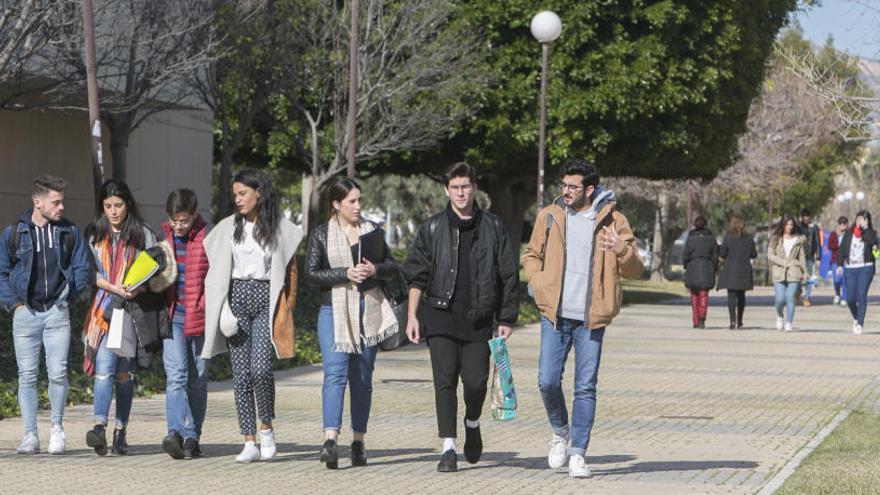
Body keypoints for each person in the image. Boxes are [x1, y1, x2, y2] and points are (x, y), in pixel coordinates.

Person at [522, 159, 643, 478]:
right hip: (555, 315)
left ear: (589, 189)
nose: (565, 192)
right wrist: (536, 283)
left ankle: (578, 453)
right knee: (547, 380)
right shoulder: (549, 216)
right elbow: (531, 254)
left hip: (591, 317)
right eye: (562, 186)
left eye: (572, 187)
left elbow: (635, 270)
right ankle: (560, 431)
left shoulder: (613, 220)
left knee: (585, 387)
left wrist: (621, 249)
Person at [403, 162, 519, 473]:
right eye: (454, 187)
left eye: (465, 186)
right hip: (440, 316)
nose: (460, 192)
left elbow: (508, 274)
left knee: (476, 383)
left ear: (474, 188)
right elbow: (416, 275)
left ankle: (472, 421)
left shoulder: (493, 227)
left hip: (479, 319)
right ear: (446, 190)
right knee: (444, 382)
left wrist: (506, 317)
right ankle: (448, 447)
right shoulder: (432, 228)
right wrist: (412, 316)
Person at [202, 168, 302, 463]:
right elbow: (213, 263)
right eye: (235, 195)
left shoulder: (280, 228)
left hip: (266, 300)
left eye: (243, 194)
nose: (238, 200)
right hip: (236, 299)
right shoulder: (228, 227)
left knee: (260, 370)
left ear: (259, 192)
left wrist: (289, 305)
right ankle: (248, 440)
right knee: (241, 375)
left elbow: (290, 272)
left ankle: (267, 428)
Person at [304, 177, 400, 469]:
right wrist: (344, 273)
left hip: (367, 308)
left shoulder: (372, 231)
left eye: (359, 200)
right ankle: (330, 440)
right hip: (332, 311)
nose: (358, 206)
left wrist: (375, 269)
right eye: (351, 201)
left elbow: (393, 268)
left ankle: (358, 441)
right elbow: (311, 274)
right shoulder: (321, 234)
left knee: (362, 379)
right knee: (334, 375)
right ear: (336, 204)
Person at [0, 175, 91, 455]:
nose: (62, 207)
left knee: (58, 372)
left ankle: (56, 429)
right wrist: (15, 304)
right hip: (25, 313)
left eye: (62, 201)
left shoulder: (69, 232)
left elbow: (82, 268)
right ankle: (30, 435)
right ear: (37, 202)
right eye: (56, 202)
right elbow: (2, 272)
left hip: (56, 312)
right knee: (26, 375)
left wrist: (66, 298)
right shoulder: (14, 233)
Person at [82, 179, 159, 456]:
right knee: (104, 369)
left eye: (118, 205)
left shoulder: (142, 235)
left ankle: (120, 430)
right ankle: (99, 427)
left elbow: (156, 269)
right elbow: (88, 273)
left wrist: (139, 286)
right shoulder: (93, 233)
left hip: (130, 312)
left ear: (128, 204)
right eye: (107, 206)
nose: (113, 211)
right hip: (103, 312)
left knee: (124, 375)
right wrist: (114, 287)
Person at [158, 189, 210, 460]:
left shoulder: (207, 238)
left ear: (194, 215)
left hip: (201, 318)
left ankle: (194, 436)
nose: (179, 225)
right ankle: (176, 432)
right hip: (174, 317)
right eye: (174, 220)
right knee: (176, 376)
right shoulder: (163, 240)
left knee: (198, 380)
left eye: (184, 220)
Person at [835, 210, 877, 335]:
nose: (861, 221)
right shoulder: (848, 234)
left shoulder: (871, 233)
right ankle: (856, 317)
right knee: (850, 299)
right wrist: (839, 265)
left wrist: (866, 229)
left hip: (866, 268)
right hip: (850, 269)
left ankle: (860, 323)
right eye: (859, 219)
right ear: (855, 219)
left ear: (868, 221)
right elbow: (841, 250)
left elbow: (873, 243)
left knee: (861, 295)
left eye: (864, 219)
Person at [716, 216, 757, 329]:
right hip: (744, 270)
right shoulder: (749, 238)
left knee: (731, 296)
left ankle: (732, 321)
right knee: (741, 296)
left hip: (730, 270)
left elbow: (722, 253)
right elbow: (754, 254)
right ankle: (740, 320)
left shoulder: (728, 238)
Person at [768, 215, 806, 332]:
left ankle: (789, 322)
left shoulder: (798, 239)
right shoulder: (776, 238)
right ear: (783, 225)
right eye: (787, 224)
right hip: (779, 272)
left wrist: (804, 271)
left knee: (790, 297)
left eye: (791, 225)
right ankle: (780, 316)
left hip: (794, 272)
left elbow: (801, 256)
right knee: (779, 299)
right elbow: (770, 255)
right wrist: (782, 262)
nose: (789, 227)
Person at [683, 216, 718, 329]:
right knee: (704, 293)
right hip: (707, 265)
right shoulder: (711, 238)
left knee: (694, 295)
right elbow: (715, 255)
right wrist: (714, 268)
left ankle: (695, 320)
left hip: (693, 266)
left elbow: (686, 254)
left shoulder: (691, 238)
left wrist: (686, 265)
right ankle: (702, 317)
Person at [798, 208, 822, 306]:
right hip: (798, 256)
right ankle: (798, 291)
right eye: (804, 216)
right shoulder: (798, 227)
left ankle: (806, 297)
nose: (806, 218)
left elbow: (817, 242)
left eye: (808, 216)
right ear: (802, 217)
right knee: (797, 276)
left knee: (809, 277)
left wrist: (818, 257)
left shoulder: (814, 227)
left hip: (810, 256)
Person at [827, 216, 849, 306]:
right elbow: (829, 246)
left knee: (845, 280)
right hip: (835, 260)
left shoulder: (849, 234)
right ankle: (837, 294)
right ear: (838, 224)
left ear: (847, 224)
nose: (842, 225)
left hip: (846, 261)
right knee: (837, 280)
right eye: (840, 223)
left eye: (844, 223)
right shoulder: (834, 233)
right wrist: (839, 245)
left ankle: (844, 298)